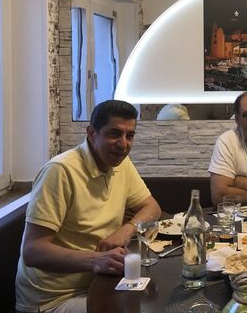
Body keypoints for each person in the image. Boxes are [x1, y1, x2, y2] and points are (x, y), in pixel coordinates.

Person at [15, 100, 161, 313]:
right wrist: (97, 260)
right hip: (53, 299)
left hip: (102, 282)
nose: (123, 144)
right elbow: (33, 251)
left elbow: (152, 207)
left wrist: (125, 230)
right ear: (92, 133)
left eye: (129, 135)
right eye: (114, 133)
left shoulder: (121, 163)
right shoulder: (60, 171)